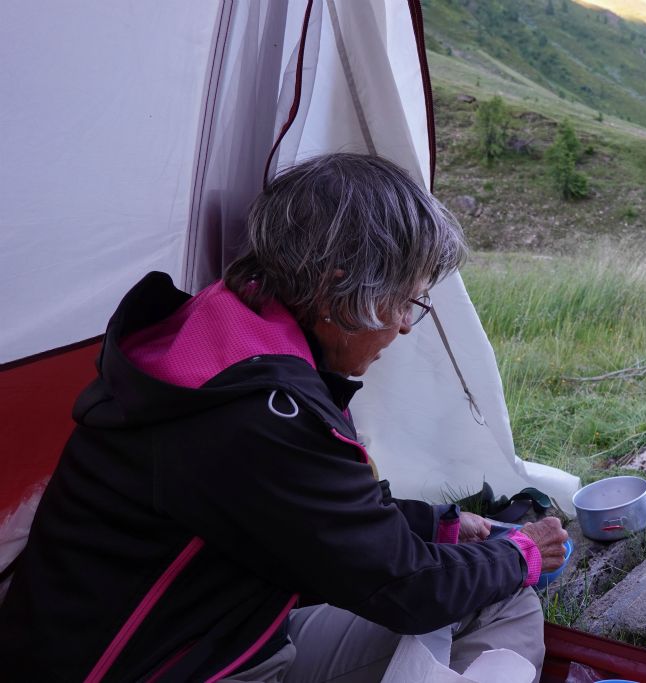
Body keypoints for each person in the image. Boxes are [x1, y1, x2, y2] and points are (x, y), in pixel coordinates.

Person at [0, 153, 569, 682]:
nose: (402, 326)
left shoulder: (224, 334)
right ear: (338, 287)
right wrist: (521, 551)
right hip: (179, 667)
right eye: (405, 301)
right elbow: (406, 589)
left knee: (493, 592)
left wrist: (437, 525)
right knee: (502, 582)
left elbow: (292, 506)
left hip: (219, 635)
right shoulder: (261, 412)